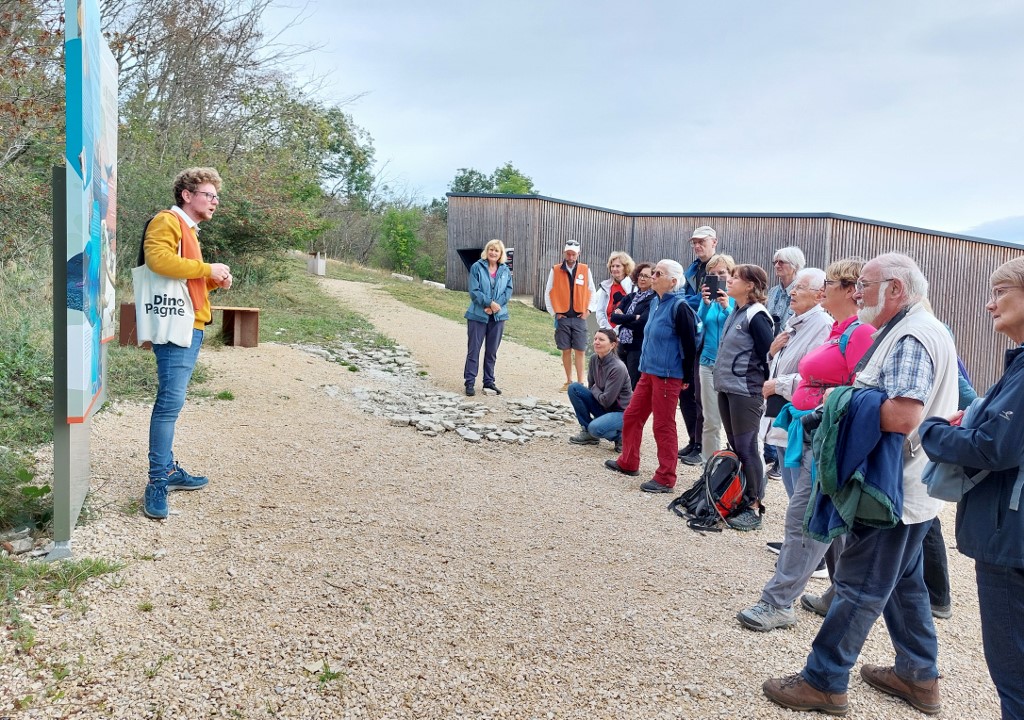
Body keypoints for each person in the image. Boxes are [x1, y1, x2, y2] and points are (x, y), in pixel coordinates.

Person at [763, 252, 958, 717]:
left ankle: (824, 681)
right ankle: (919, 676)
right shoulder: (918, 328)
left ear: (895, 289)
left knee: (858, 585)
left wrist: (838, 401)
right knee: (905, 583)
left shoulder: (911, 334)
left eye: (865, 285)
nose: (856, 293)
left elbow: (904, 415)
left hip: (892, 488)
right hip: (909, 486)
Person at [736, 258, 874, 632]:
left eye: (828, 283)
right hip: (812, 432)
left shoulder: (858, 333)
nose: (821, 289)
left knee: (805, 519)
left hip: (828, 438)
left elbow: (860, 390)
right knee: (829, 521)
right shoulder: (840, 330)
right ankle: (838, 593)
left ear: (848, 291)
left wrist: (804, 392)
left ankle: (777, 602)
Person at [920, 256, 1024, 720]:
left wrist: (933, 430)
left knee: (1014, 676)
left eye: (1001, 292)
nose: (989, 303)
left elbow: (996, 448)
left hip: (1011, 540)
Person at [142, 167, 232, 521]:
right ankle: (157, 480)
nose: (215, 202)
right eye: (209, 195)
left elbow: (183, 283)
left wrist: (213, 282)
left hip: (188, 322)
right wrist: (207, 268)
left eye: (216, 197)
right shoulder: (168, 221)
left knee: (172, 403)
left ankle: (167, 470)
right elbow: (158, 261)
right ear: (187, 195)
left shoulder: (188, 230)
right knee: (169, 404)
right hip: (176, 326)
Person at [604, 259, 698, 493]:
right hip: (648, 372)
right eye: (653, 272)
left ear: (673, 281)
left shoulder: (680, 307)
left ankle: (666, 477)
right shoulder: (655, 302)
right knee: (633, 416)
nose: (653, 276)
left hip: (668, 375)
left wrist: (685, 376)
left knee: (663, 426)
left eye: (658, 273)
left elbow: (689, 343)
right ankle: (628, 461)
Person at [760, 268, 833, 498]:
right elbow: (784, 362)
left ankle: (799, 535)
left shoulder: (822, 324)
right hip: (782, 414)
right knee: (793, 489)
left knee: (801, 491)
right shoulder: (795, 322)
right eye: (795, 287)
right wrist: (771, 353)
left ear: (819, 295)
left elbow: (817, 376)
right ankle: (794, 535)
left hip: (799, 417)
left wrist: (777, 385)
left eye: (800, 287)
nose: (792, 291)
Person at [712, 264, 774, 531]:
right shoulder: (737, 311)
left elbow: (768, 355)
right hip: (727, 388)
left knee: (748, 449)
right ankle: (740, 496)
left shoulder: (758, 316)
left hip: (746, 391)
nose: (729, 279)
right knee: (736, 447)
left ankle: (754, 506)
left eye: (736, 277)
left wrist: (765, 389)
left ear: (750, 285)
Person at [763, 246, 806, 478]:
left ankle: (782, 458)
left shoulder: (800, 291)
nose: (777, 265)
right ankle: (772, 450)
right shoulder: (773, 292)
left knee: (785, 404)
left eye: (782, 262)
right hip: (775, 351)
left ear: (795, 265)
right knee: (770, 404)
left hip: (793, 352)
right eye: (775, 261)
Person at [677, 226, 718, 464]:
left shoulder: (716, 269)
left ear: (714, 242)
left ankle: (702, 445)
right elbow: (687, 296)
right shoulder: (692, 268)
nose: (697, 245)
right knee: (688, 394)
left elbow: (707, 301)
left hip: (707, 337)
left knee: (702, 397)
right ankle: (693, 440)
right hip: (691, 335)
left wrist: (685, 301)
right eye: (694, 242)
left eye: (702, 241)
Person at [695, 253, 736, 461]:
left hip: (730, 366)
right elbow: (700, 323)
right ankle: (708, 465)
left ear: (731, 275)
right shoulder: (707, 300)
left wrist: (726, 305)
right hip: (708, 363)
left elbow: (737, 326)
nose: (717, 277)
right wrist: (705, 303)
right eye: (712, 274)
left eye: (721, 273)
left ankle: (732, 465)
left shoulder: (737, 298)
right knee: (710, 420)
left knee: (732, 421)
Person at [567, 329, 633, 452]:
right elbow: (591, 386)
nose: (596, 342)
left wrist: (594, 389)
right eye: (595, 339)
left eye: (601, 340)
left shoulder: (617, 367)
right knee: (574, 388)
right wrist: (594, 389)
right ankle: (588, 433)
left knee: (595, 428)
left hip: (622, 412)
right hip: (604, 405)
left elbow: (606, 400)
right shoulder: (593, 359)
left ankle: (622, 436)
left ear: (612, 345)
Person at [463, 239, 513, 396]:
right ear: (487, 250)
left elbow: (508, 290)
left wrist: (496, 305)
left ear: (501, 254)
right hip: (478, 315)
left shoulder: (505, 270)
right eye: (491, 249)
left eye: (496, 250)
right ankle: (470, 382)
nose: (493, 252)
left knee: (492, 352)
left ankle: (489, 382)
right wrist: (489, 303)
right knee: (474, 350)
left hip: (498, 316)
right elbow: (474, 290)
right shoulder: (477, 267)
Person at [545, 240, 595, 391]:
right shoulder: (555, 270)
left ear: (578, 254)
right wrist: (554, 312)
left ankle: (580, 383)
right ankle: (568, 381)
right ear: (564, 253)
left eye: (574, 253)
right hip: (563, 317)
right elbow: (548, 292)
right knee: (565, 349)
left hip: (580, 317)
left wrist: (589, 311)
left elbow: (591, 291)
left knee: (580, 349)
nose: (571, 256)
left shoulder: (585, 270)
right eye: (568, 253)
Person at [610, 263, 655, 389]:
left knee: (632, 383)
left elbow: (642, 323)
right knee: (619, 380)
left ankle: (630, 409)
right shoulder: (630, 297)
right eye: (641, 275)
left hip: (637, 347)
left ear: (653, 279)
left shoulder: (653, 300)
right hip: (622, 344)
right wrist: (634, 317)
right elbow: (614, 318)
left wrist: (623, 317)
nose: (642, 278)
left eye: (647, 276)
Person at [592, 251, 635, 330]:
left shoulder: (633, 287)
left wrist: (617, 330)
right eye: (612, 266)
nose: (614, 269)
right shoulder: (606, 286)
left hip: (625, 330)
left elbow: (633, 313)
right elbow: (600, 311)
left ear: (625, 268)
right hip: (607, 331)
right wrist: (606, 328)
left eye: (618, 266)